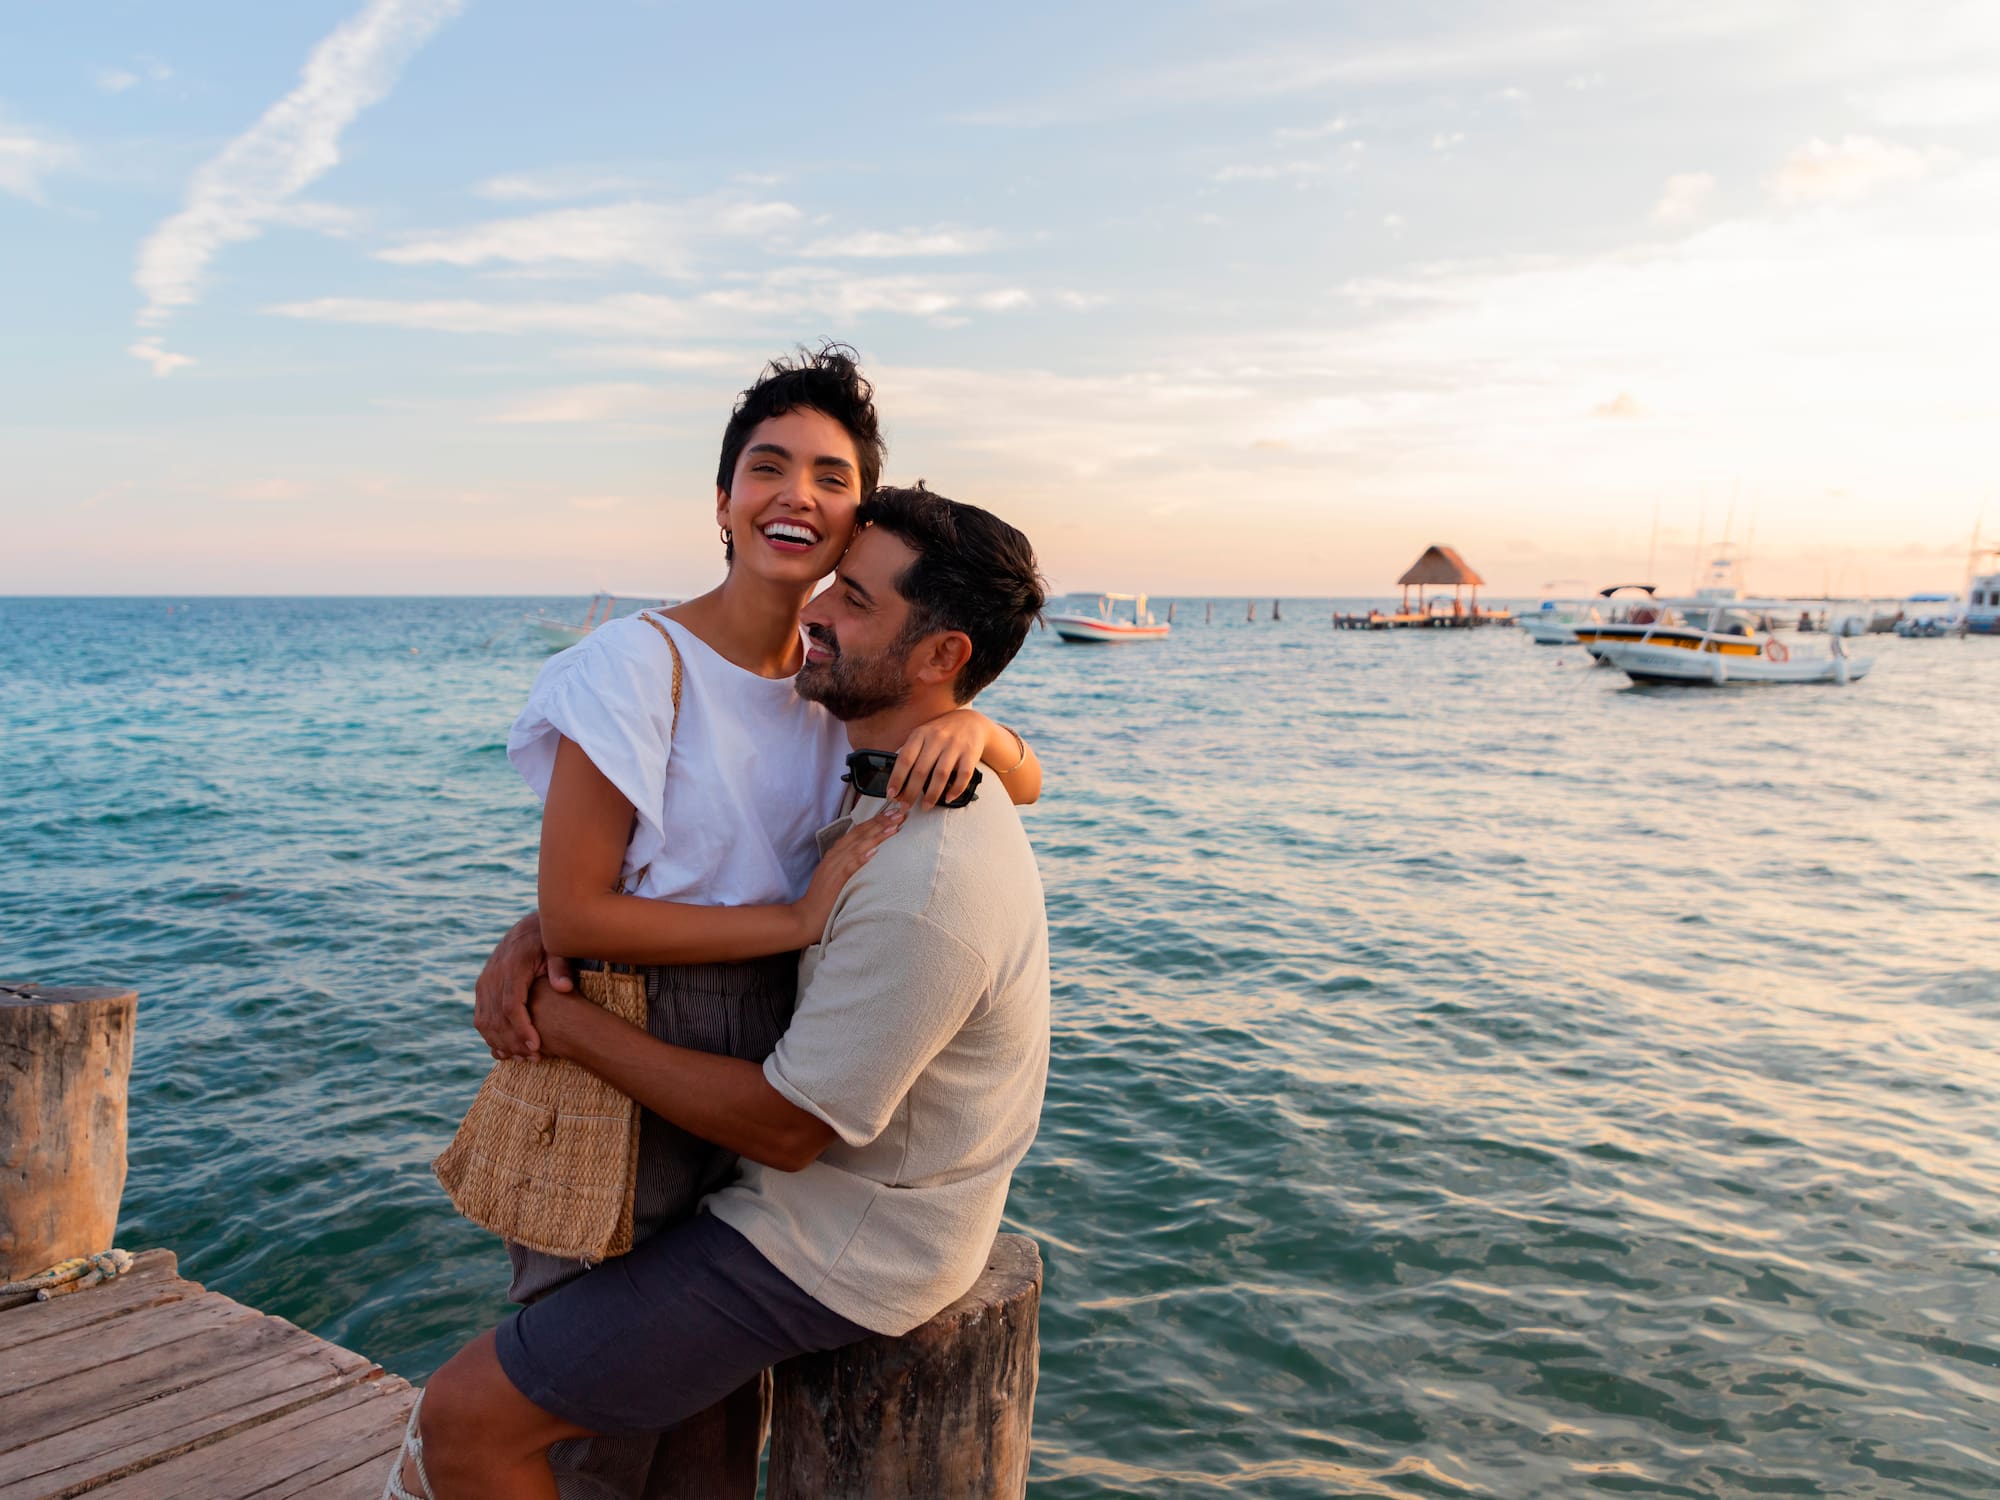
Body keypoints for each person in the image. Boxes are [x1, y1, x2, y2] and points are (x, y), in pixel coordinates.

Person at [440, 347, 1041, 1498]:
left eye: (830, 477)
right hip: (644, 1043)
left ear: (856, 517)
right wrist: (785, 919)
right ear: (719, 501)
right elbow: (581, 901)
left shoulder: (830, 686)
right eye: (766, 468)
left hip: (776, 1046)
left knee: (711, 1435)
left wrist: (985, 736)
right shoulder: (641, 664)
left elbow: (1003, 773)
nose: (796, 497)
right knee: (583, 1429)